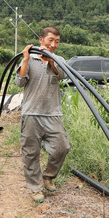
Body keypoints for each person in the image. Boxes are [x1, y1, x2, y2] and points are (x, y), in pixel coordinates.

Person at [15, 26, 70, 202]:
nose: (53, 44)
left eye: (57, 41)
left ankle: (48, 176)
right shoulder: (29, 59)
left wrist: (51, 61)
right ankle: (36, 188)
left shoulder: (59, 59)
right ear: (41, 40)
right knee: (30, 153)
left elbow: (62, 76)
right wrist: (25, 60)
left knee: (62, 147)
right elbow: (20, 82)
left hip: (53, 113)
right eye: (50, 40)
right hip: (31, 113)